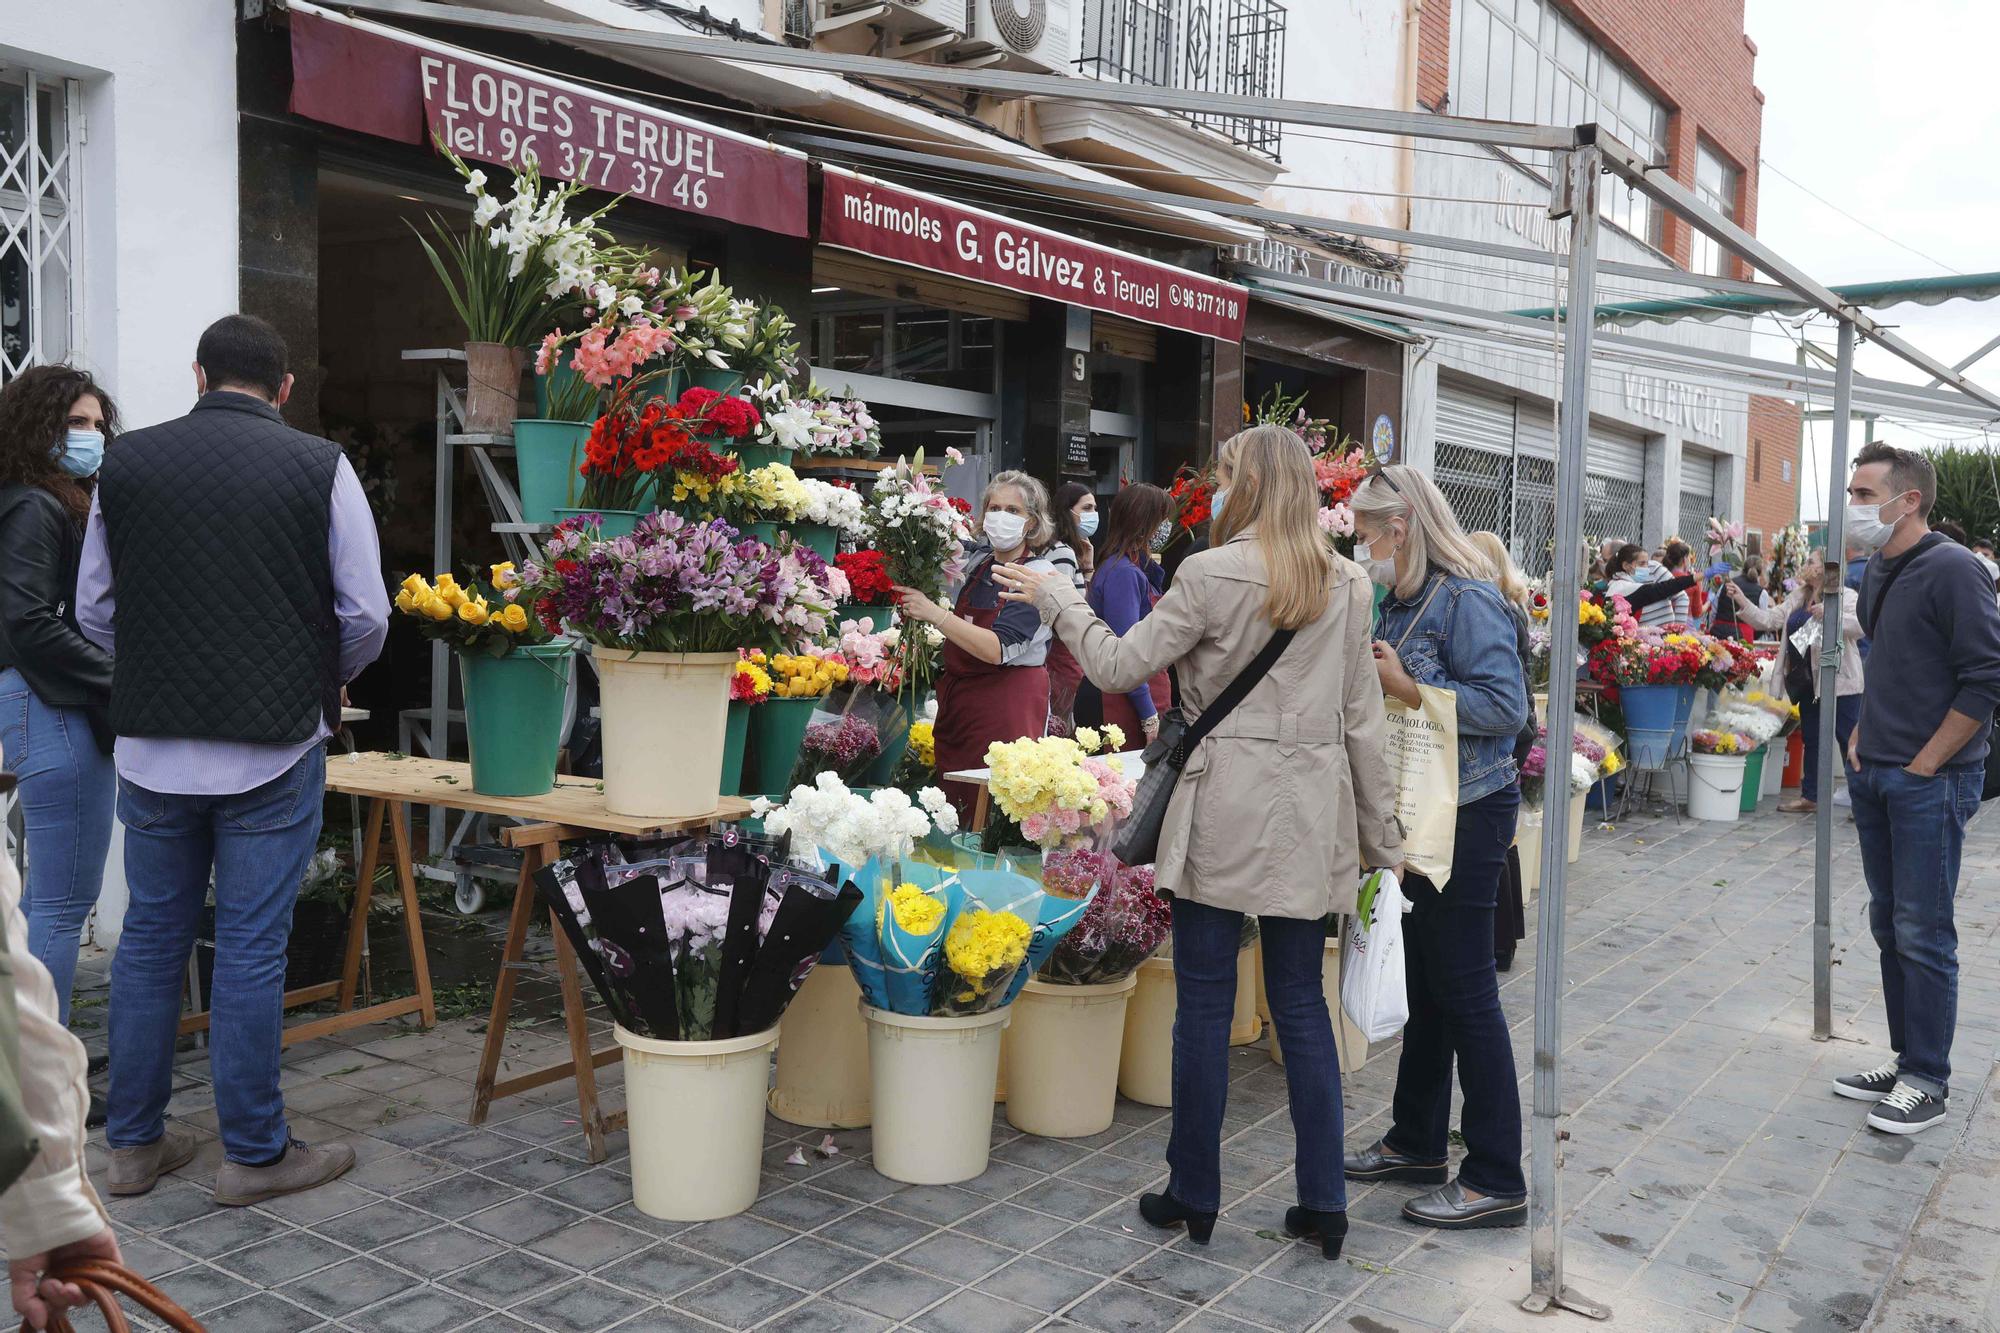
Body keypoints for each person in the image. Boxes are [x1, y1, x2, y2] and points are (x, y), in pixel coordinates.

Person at [991, 424, 1404, 1260]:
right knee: (1301, 1006)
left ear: (1246, 486)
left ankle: (1195, 1191)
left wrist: (1055, 596)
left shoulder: (1209, 572)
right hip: (1314, 810)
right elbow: (1363, 723)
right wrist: (1381, 838)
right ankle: (1324, 1203)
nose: (1211, 492)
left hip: (1224, 805)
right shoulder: (1351, 583)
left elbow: (1115, 665)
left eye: (1221, 477)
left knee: (1206, 1003)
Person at [77, 314, 390, 1204]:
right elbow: (365, 611)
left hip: (150, 744)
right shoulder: (319, 465)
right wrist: (323, 675)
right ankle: (253, 1152)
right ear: (285, 387)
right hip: (274, 741)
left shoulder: (124, 465)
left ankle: (133, 1148)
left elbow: (94, 609)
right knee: (251, 948)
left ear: (199, 374)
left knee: (147, 940)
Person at [1343, 465, 1532, 1229]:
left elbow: (1508, 706)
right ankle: (1416, 1139)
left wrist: (1412, 691)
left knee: (1466, 988)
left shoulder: (1468, 599)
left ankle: (1496, 1174)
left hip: (1470, 813)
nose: (1361, 550)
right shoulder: (1397, 603)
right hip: (1416, 813)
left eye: (1365, 535)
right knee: (1426, 981)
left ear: (1403, 528)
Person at [1836, 442, 2000, 1134]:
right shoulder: (1876, 568)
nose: (1853, 506)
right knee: (1887, 919)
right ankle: (1909, 1057)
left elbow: (1986, 676)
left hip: (1928, 781)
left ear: (1908, 501)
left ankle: (1927, 1079)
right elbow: (1889, 654)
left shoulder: (1956, 568)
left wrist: (1929, 760)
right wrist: (1863, 731)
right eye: (1851, 492)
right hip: (1877, 768)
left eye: (1865, 493)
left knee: (1923, 928)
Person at [0, 367, 118, 1023]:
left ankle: (31, 1070)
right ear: (37, 426)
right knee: (62, 903)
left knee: (49, 896)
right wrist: (118, 674)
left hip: (43, 706)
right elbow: (28, 622)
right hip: (53, 709)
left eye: (98, 424)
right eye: (77, 422)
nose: (92, 435)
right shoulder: (35, 507)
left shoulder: (45, 500)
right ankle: (43, 1085)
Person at [1, 760, 122, 1333]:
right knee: (63, 901)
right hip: (67, 729)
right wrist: (50, 1205)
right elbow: (10, 1013)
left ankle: (138, 1133)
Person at [895, 471, 1059, 822]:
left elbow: (998, 648)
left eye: (1013, 510)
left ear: (1032, 521)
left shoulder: (1037, 576)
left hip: (1007, 708)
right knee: (955, 809)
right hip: (963, 708)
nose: (1002, 516)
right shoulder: (980, 565)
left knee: (996, 812)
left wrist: (935, 615)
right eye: (994, 507)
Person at [1727, 557, 1860, 814]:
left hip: (1840, 680)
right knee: (1812, 739)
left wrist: (1831, 614)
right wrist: (1742, 599)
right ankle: (1811, 796)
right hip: (1808, 682)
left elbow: (1860, 627)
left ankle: (1862, 801)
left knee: (1848, 739)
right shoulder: (1799, 595)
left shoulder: (1845, 596)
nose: (1805, 563)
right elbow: (1769, 621)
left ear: (1825, 567)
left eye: (1812, 560)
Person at [1469, 531, 1537, 974]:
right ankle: (1504, 938)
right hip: (1522, 727)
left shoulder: (1494, 612)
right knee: (1503, 843)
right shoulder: (1512, 607)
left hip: (1510, 732)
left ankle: (1500, 941)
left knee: (1497, 846)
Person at [1086, 484, 1176, 746]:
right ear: (1145, 523)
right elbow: (1128, 652)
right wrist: (1149, 716)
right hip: (1127, 701)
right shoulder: (1123, 573)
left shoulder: (1130, 567)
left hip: (1137, 691)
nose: (1166, 527)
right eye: (1162, 520)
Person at [1043, 482, 1097, 735]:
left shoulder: (1063, 551)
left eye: (1094, 508)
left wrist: (1087, 568)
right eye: (1086, 508)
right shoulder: (1062, 553)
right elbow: (1066, 612)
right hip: (1063, 657)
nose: (1093, 514)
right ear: (1067, 511)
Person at [1604, 543, 1696, 627]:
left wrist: (1677, 630)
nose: (1647, 568)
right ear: (1626, 565)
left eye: (1647, 562)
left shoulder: (1654, 568)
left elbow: (1680, 596)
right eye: (1642, 563)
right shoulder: (1620, 585)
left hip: (1667, 635)